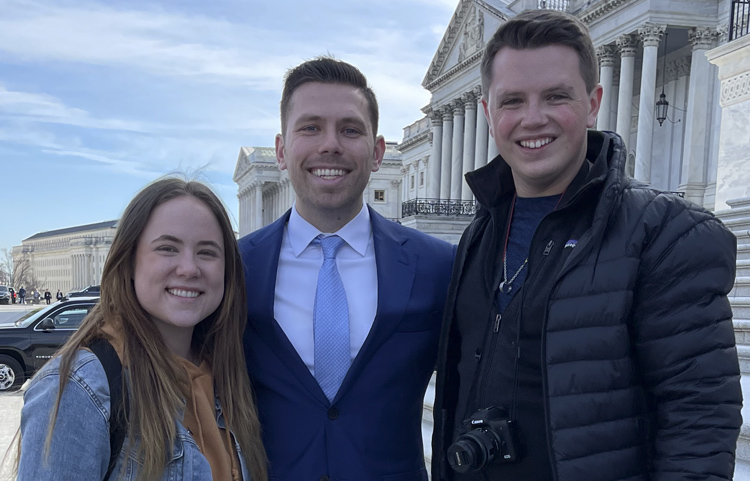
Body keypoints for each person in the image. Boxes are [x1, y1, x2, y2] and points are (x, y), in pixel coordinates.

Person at [432, 10, 742, 481]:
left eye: (556, 96)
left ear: (593, 102)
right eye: (512, 100)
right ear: (489, 113)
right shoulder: (480, 231)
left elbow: (699, 422)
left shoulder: (668, 233)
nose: (532, 119)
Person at [239, 57, 454, 481]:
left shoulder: (438, 266)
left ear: (377, 152)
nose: (330, 145)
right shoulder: (236, 268)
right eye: (310, 127)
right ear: (282, 151)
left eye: (350, 129)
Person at [17, 178, 268, 481]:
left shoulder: (229, 375)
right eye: (167, 248)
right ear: (129, 262)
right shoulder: (79, 387)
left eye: (207, 252)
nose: (189, 268)